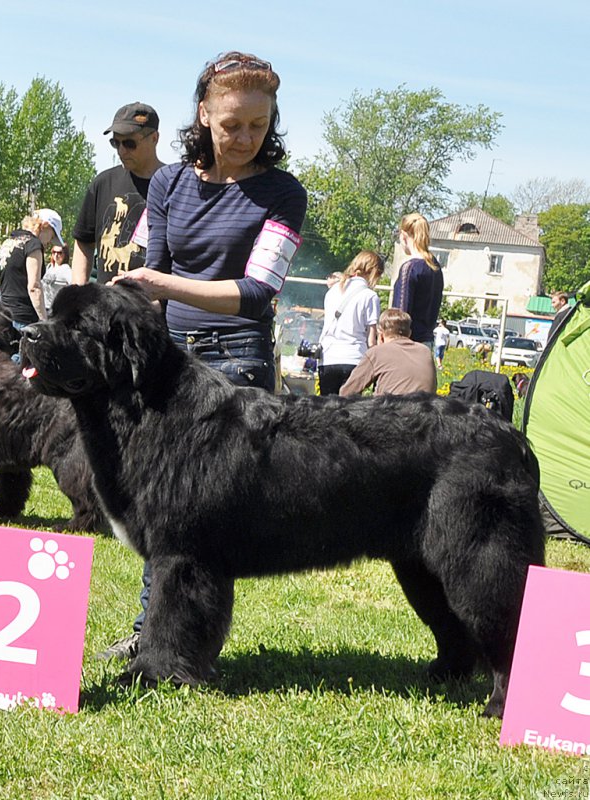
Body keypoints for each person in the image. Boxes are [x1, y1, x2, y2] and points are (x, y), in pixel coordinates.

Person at [98, 51, 307, 661]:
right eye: (232, 124)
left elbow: (254, 294)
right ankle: (151, 634)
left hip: (237, 361)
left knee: (207, 516)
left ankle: (186, 644)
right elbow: (147, 270)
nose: (245, 138)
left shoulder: (283, 193)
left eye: (258, 126)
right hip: (169, 360)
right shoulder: (166, 184)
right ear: (203, 113)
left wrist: (161, 287)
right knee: (161, 505)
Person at [71, 103, 164, 286]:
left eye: (130, 143)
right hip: (107, 306)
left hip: (155, 309)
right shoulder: (103, 183)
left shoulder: (175, 185)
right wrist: (78, 293)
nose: (122, 151)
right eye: (116, 143)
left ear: (154, 138)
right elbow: (84, 242)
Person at [316, 251, 383, 395]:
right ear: (374, 272)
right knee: (348, 413)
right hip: (353, 358)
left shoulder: (332, 291)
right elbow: (371, 339)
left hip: (328, 357)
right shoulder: (370, 296)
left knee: (326, 410)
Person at [339, 308, 437, 397]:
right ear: (409, 333)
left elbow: (347, 392)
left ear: (380, 335)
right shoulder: (425, 351)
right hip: (425, 412)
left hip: (389, 413)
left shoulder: (376, 353)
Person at [0, 208, 63, 329]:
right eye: (52, 236)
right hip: (23, 319)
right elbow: (34, 287)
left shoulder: (9, 241)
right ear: (44, 226)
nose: (49, 242)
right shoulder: (33, 244)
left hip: (3, 316)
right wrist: (44, 321)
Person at [392, 213, 444, 348]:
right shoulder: (435, 266)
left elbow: (401, 317)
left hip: (407, 346)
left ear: (403, 235)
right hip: (427, 344)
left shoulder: (410, 268)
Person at [42, 241, 72, 312]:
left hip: (56, 308)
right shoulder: (49, 267)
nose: (56, 255)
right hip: (44, 306)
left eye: (59, 253)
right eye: (54, 252)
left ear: (65, 254)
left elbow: (74, 285)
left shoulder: (66, 269)